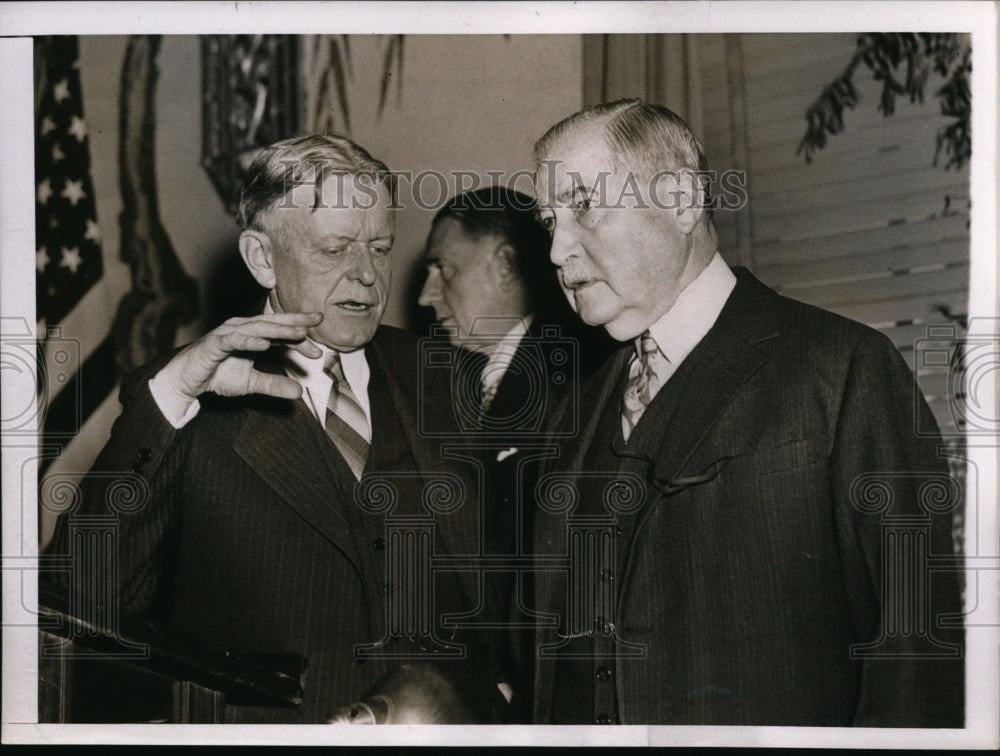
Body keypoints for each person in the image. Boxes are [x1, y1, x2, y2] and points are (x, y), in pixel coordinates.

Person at [527, 99, 964, 726]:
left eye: (584, 207)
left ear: (679, 199)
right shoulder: (570, 415)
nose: (557, 250)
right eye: (549, 222)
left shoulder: (843, 370)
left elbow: (917, 654)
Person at [48, 134, 503, 724]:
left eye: (381, 248)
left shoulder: (449, 379)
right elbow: (79, 601)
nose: (366, 276)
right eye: (335, 249)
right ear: (262, 257)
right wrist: (174, 393)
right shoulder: (181, 398)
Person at [417, 185, 611, 720]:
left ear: (505, 266)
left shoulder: (571, 380)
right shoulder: (469, 387)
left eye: (443, 269)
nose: (425, 295)